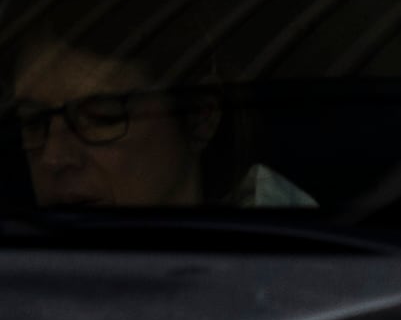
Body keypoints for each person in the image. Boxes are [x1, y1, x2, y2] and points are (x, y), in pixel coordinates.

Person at [7, 27, 309, 211]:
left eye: (101, 118)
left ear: (200, 117)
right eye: (33, 122)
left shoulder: (294, 277)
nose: (53, 156)